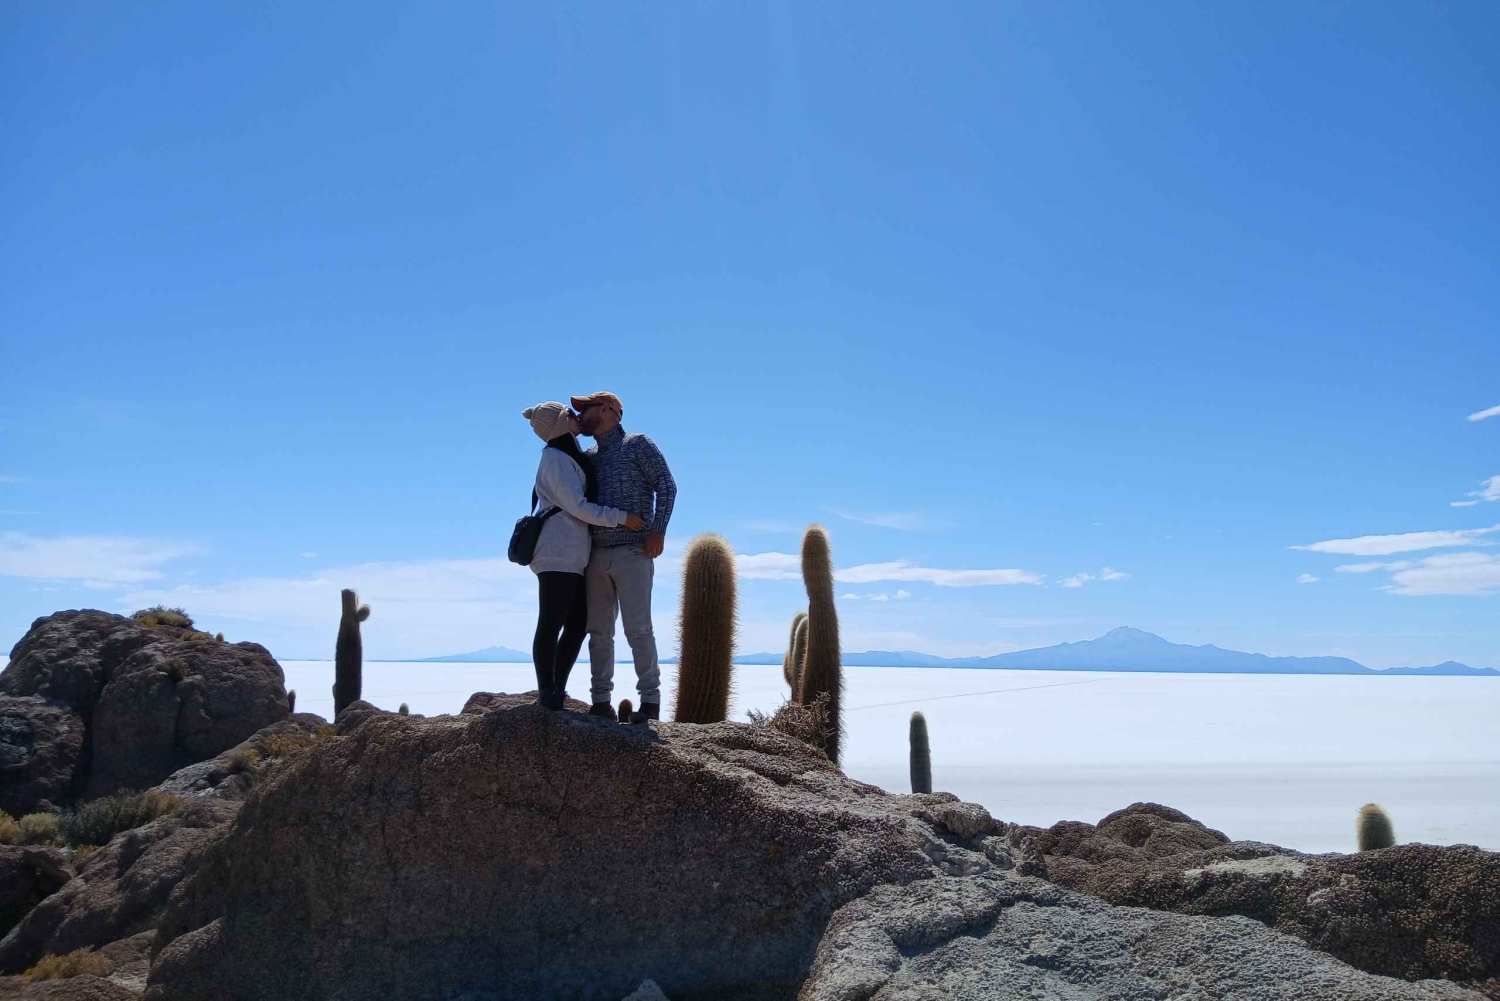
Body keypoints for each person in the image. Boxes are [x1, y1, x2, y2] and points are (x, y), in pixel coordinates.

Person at [522, 402, 645, 711]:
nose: (576, 418)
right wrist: (622, 517)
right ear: (559, 424)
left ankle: (557, 689)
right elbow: (577, 506)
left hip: (573, 555)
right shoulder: (554, 457)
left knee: (576, 624)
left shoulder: (568, 455)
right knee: (551, 622)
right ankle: (546, 691)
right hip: (556, 552)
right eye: (569, 415)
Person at [571, 391, 677, 722]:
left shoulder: (638, 444)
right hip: (596, 554)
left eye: (585, 408)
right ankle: (601, 701)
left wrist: (657, 529)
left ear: (609, 410)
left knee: (638, 629)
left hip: (634, 550)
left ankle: (650, 703)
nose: (582, 415)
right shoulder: (588, 456)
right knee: (599, 631)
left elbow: (667, 486)